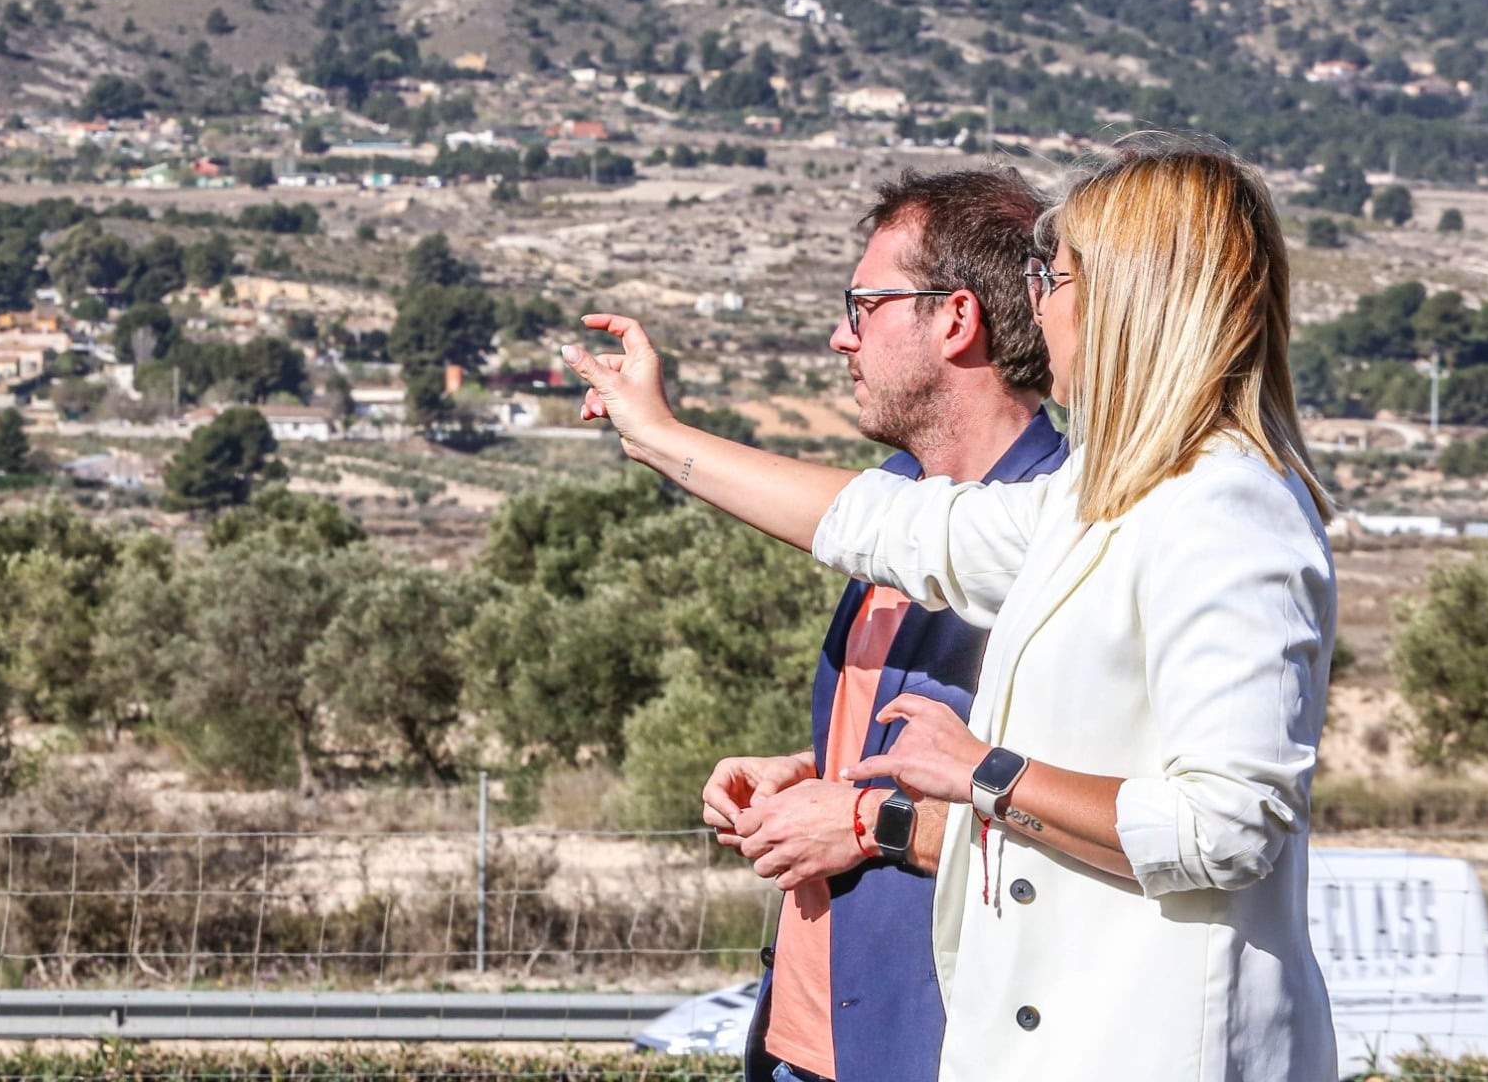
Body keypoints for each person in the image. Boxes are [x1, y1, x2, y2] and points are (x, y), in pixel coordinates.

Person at [564, 141, 1335, 1080]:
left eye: (1054, 276)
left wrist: (981, 772)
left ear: (1131, 297)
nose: (1037, 303)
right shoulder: (1109, 499)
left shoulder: (1229, 510)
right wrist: (658, 438)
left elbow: (1231, 827)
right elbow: (880, 524)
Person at [714, 168, 1067, 1082]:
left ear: (956, 318)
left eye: (864, 304)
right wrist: (803, 778)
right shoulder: (896, 511)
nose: (842, 337)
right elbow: (900, 750)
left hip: (934, 1047)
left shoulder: (1063, 539)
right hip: (801, 1046)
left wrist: (873, 820)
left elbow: (1097, 842)